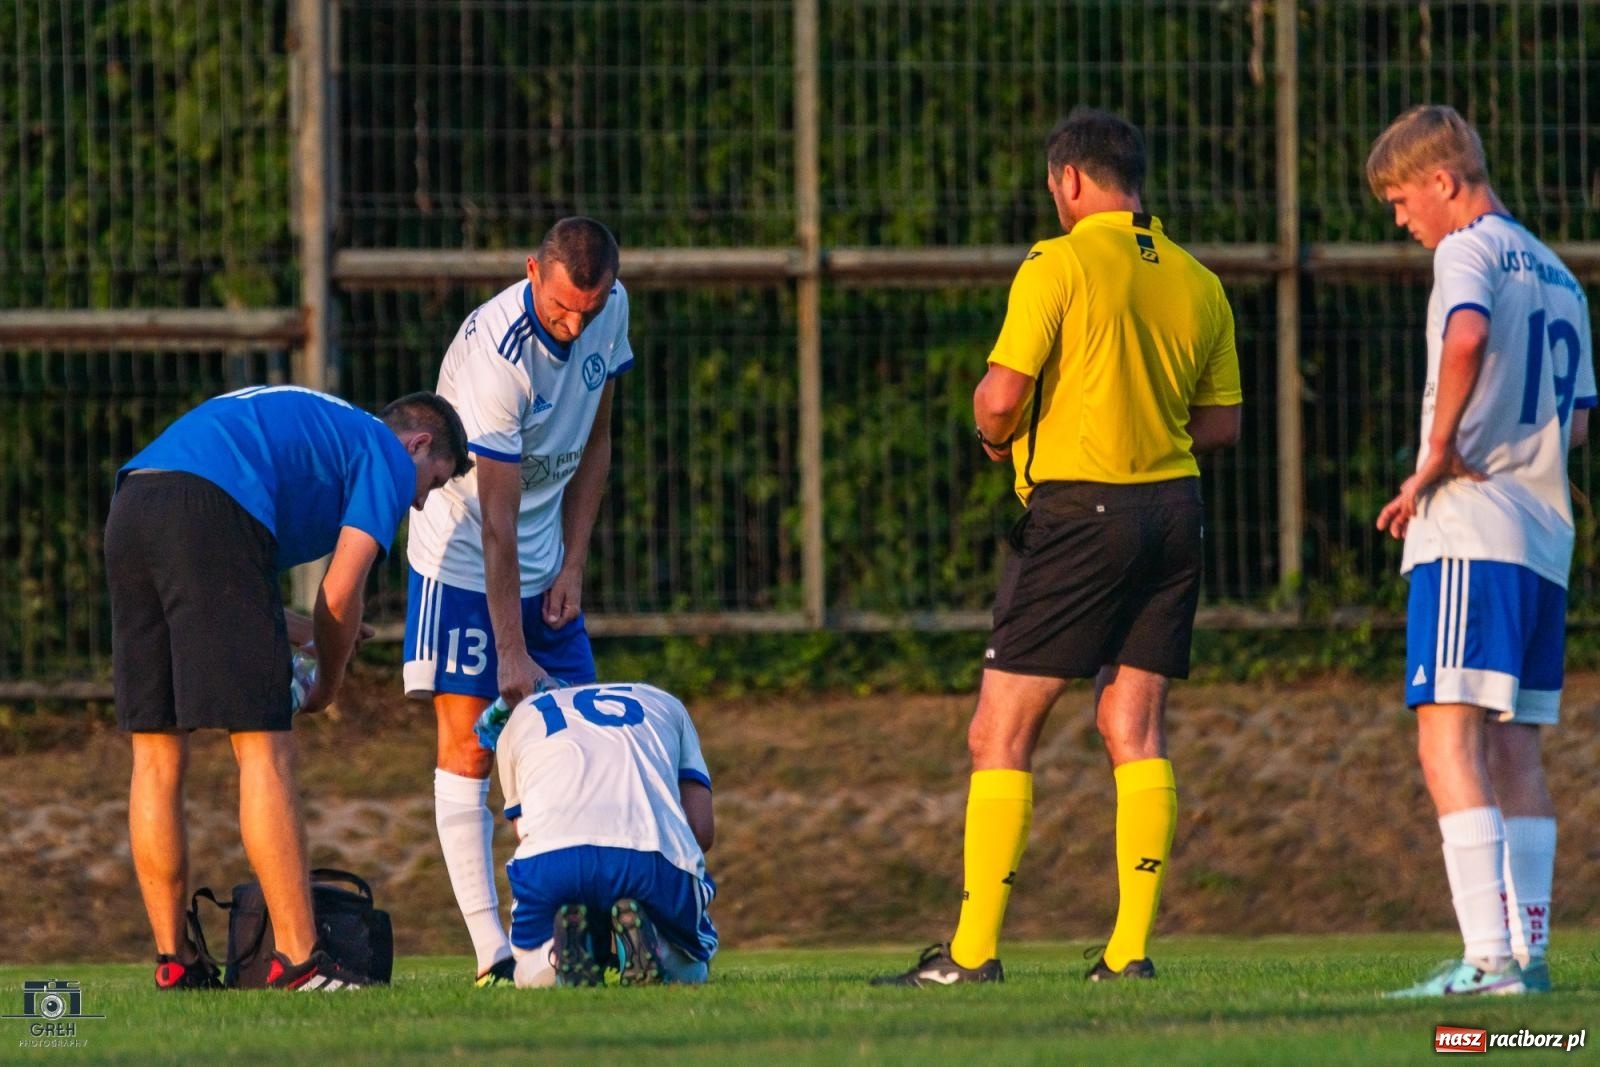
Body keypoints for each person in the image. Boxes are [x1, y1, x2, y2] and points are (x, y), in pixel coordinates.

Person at [875, 108, 1242, 987]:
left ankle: (971, 952)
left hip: (1082, 514)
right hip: (1175, 512)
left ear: (1069, 181)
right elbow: (1222, 424)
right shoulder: (1199, 279)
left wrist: (991, 434)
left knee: (999, 729)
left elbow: (1001, 399)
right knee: (1133, 725)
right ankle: (1128, 952)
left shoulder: (1058, 261)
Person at [107, 386, 471, 991]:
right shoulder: (383, 452)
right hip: (211, 508)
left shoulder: (326, 428)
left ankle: (177, 961)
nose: (422, 505)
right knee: (264, 747)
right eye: (430, 485)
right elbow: (338, 593)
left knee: (156, 754)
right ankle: (301, 961)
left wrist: (313, 632)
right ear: (419, 442)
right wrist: (328, 681)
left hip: (135, 502)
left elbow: (238, 596)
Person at [1366, 105, 1594, 998]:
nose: (1400, 219)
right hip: (1545, 537)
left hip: (1473, 530)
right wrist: (1515, 448)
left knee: (1446, 739)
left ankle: (1489, 960)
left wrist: (1439, 454)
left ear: (1445, 181)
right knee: (1517, 752)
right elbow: (1575, 421)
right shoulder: (1562, 275)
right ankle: (1528, 956)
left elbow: (1463, 336)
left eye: (1401, 197)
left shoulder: (1466, 250)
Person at [402, 216, 634, 984]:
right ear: (533, 270)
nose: (575, 324)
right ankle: (491, 953)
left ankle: (590, 938)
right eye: (564, 307)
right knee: (471, 745)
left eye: (589, 310)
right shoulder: (499, 358)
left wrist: (573, 565)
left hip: (542, 563)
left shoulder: (612, 309)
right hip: (464, 556)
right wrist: (510, 648)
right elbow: (496, 521)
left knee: (580, 750)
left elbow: (598, 439)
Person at [472, 681, 717, 988]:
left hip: (553, 861)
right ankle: (653, 945)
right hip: (650, 856)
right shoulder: (665, 701)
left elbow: (526, 829)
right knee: (693, 966)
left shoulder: (521, 716)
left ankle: (559, 953)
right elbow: (700, 830)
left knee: (528, 969)